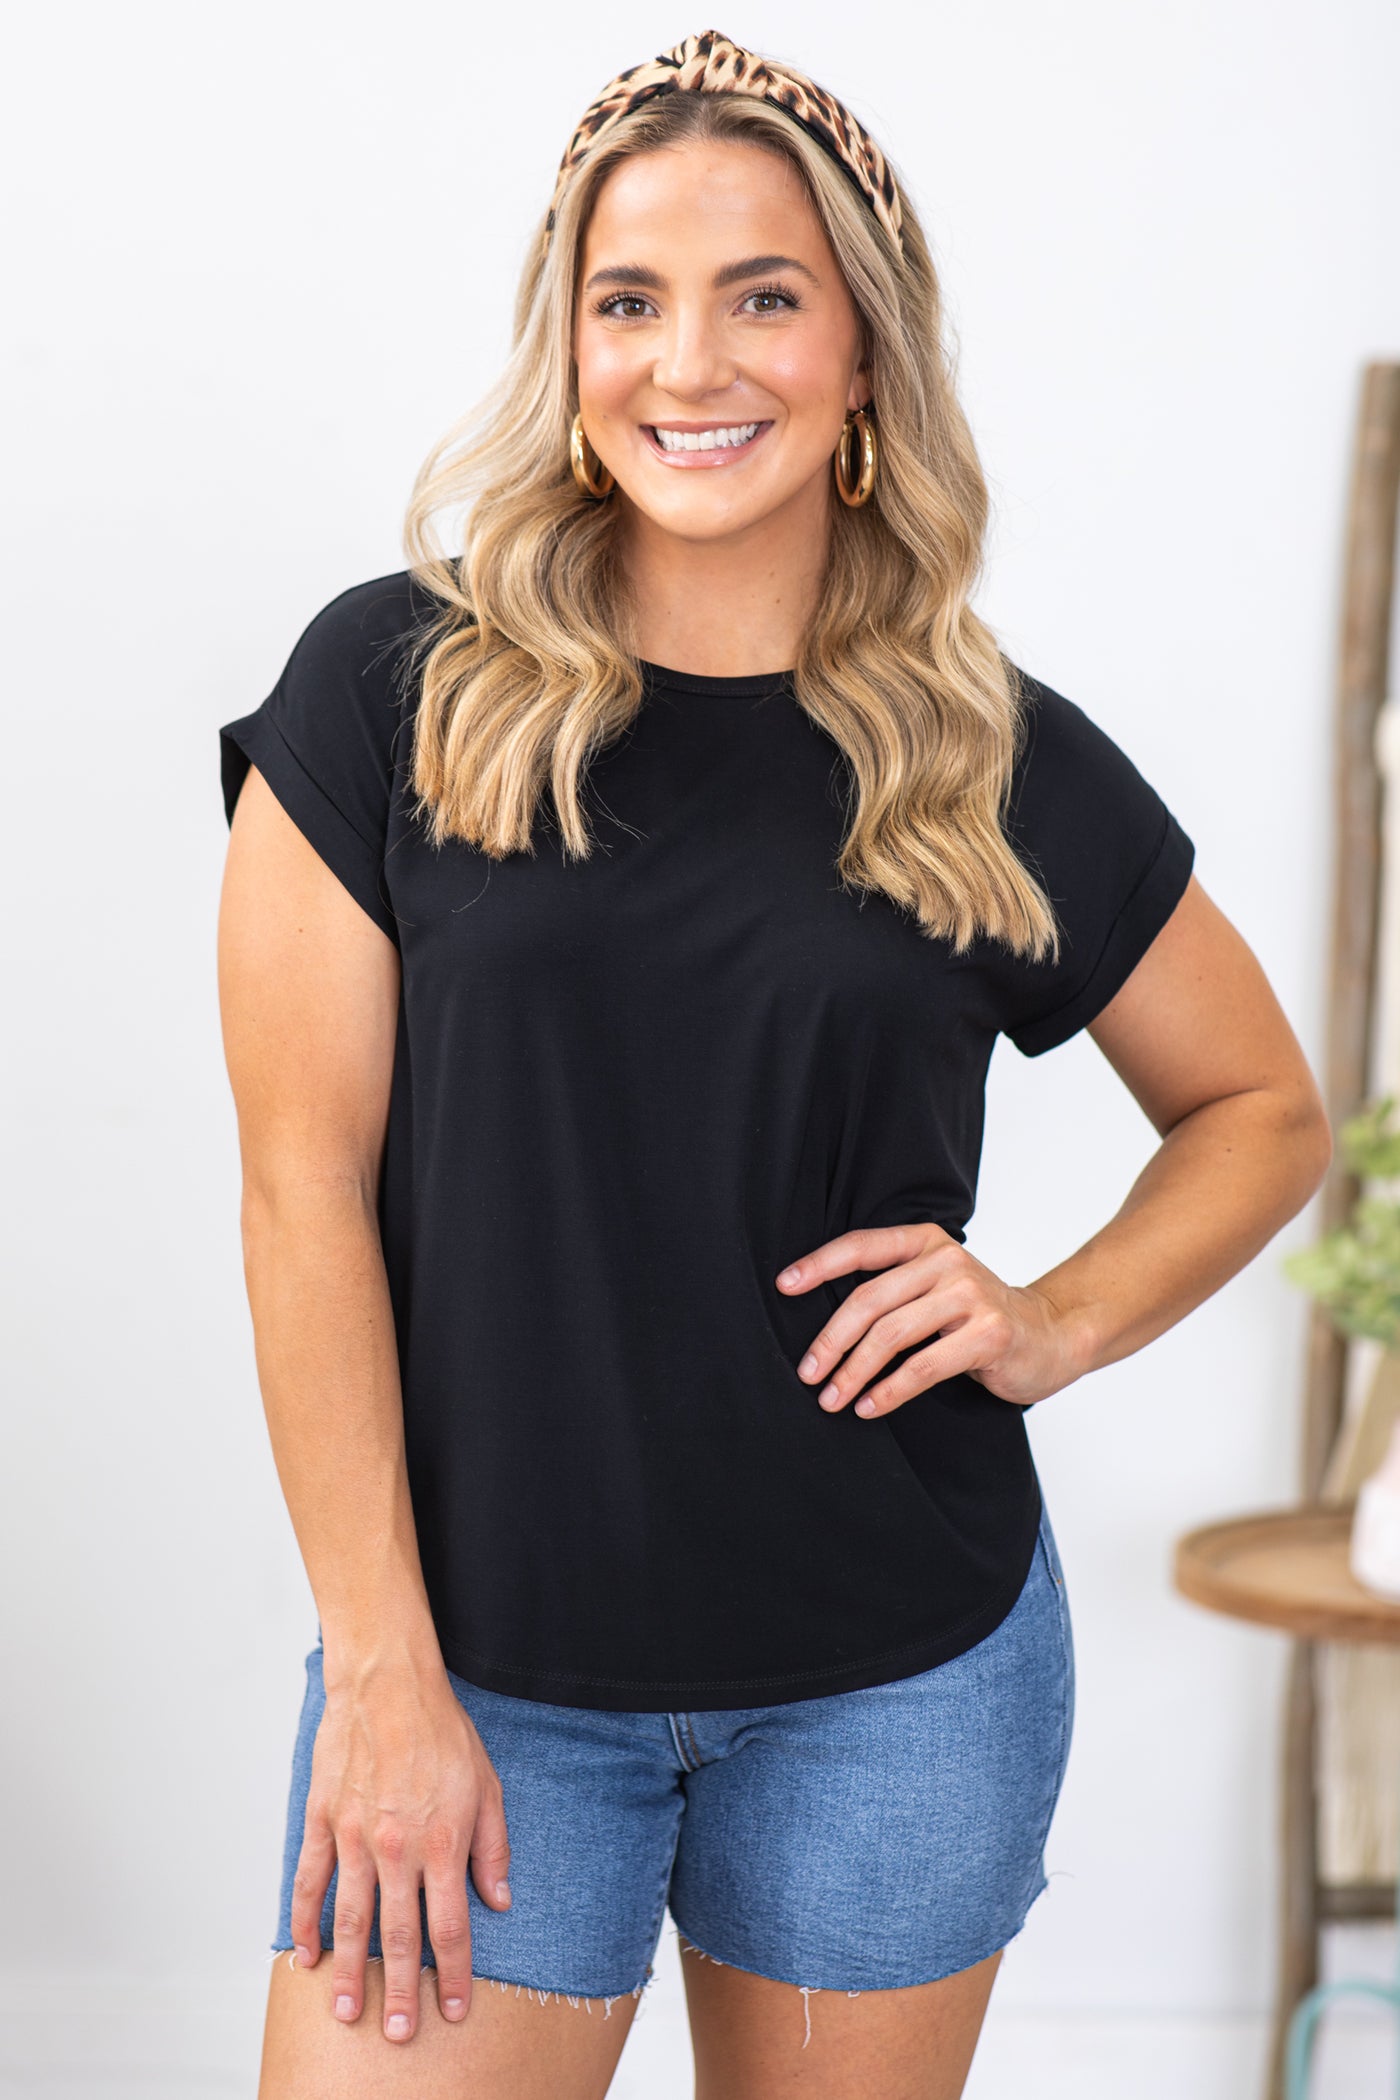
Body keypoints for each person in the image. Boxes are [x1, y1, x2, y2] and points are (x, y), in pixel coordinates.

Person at [216, 29, 1331, 2100]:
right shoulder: (388, 691)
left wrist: (1054, 1316)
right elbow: (303, 1195)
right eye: (629, 301)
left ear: (862, 358)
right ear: (567, 346)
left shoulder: (982, 754)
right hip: (475, 1670)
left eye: (763, 297)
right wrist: (376, 1668)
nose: (690, 362)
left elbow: (1261, 1109)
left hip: (896, 1683)